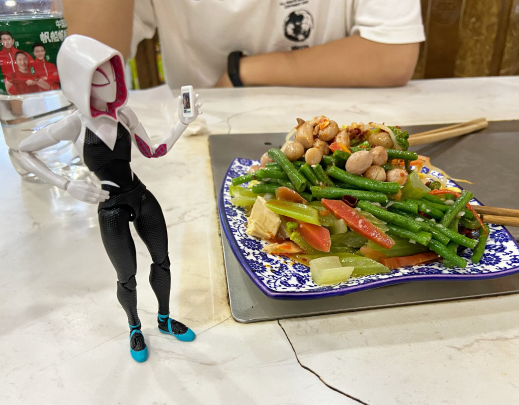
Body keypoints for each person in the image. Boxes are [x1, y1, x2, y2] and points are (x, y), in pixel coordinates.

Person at [18, 35, 203, 363]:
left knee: (162, 260)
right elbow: (22, 150)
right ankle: (134, 326)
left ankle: (163, 319)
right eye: (101, 79)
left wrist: (181, 123)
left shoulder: (124, 114)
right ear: (80, 83)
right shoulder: (74, 124)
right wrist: (66, 184)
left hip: (139, 194)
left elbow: (153, 150)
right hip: (110, 206)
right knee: (126, 276)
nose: (113, 84)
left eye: (114, 75)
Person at [63, 0, 425, 89]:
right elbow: (90, 65)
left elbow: (392, 55)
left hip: (341, 126)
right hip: (204, 135)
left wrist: (242, 72)